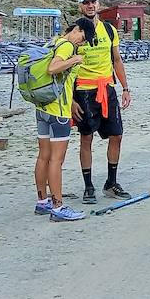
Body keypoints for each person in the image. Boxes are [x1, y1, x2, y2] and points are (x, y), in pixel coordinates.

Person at [72, 0, 134, 205]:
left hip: (107, 89)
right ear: (80, 6)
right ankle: (88, 186)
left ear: (99, 5)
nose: (90, 6)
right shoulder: (74, 32)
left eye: (93, 2)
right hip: (83, 91)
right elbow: (65, 66)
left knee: (117, 135)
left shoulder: (109, 29)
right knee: (86, 138)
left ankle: (111, 182)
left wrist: (125, 87)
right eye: (86, 3)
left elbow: (117, 60)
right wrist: (71, 100)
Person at [34, 19, 91, 222]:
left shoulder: (52, 42)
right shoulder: (66, 45)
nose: (82, 43)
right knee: (56, 160)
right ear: (77, 30)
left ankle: (42, 201)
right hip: (58, 111)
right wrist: (74, 60)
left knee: (43, 156)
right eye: (83, 38)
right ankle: (58, 206)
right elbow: (52, 68)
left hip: (41, 107)